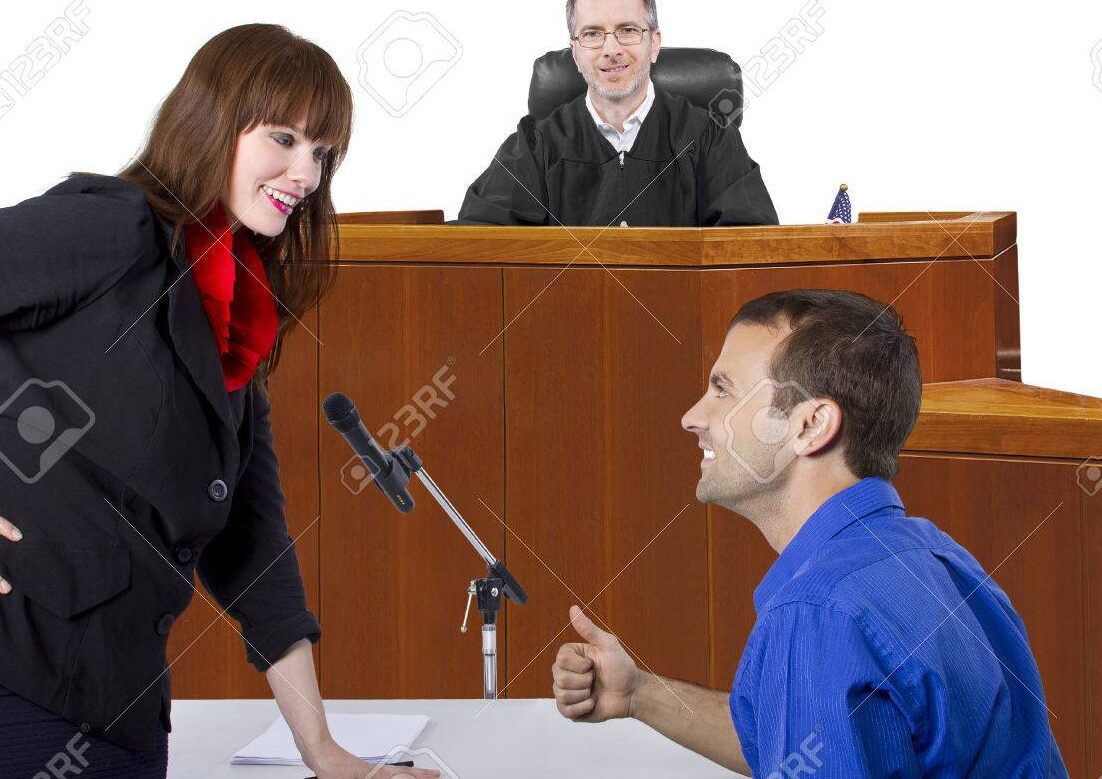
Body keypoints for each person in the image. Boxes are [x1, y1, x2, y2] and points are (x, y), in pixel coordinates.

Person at [0, 24, 436, 779]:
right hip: (20, 690)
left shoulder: (235, 314)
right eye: (284, 137)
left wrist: (324, 752)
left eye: (323, 151)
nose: (306, 172)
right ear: (212, 124)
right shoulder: (113, 227)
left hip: (124, 710)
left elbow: (254, 547)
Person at [551, 290, 1069, 776]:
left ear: (809, 425)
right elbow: (801, 742)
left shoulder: (819, 611)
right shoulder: (938, 560)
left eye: (722, 390)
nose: (692, 417)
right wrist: (640, 693)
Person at [456, 0, 778, 227]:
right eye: (592, 34)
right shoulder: (535, 146)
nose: (611, 50)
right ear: (576, 52)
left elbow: (750, 250)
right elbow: (478, 243)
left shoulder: (710, 138)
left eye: (627, 30)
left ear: (654, 44)